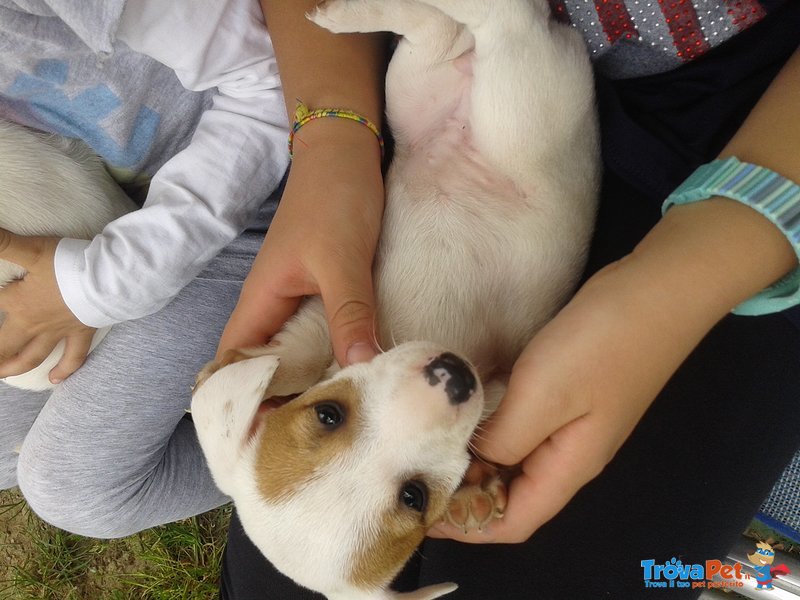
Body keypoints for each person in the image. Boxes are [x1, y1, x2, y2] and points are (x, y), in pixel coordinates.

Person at [217, 1, 800, 599]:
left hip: (628, 115)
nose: (426, 398)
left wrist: (328, 131)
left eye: (332, 415)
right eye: (413, 493)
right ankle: (747, 572)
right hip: (627, 152)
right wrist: (333, 140)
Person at [0, 0, 292, 535]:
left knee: (76, 492)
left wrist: (95, 287)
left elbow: (278, 80)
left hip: (259, 209)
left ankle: (312, 450)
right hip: (113, 215)